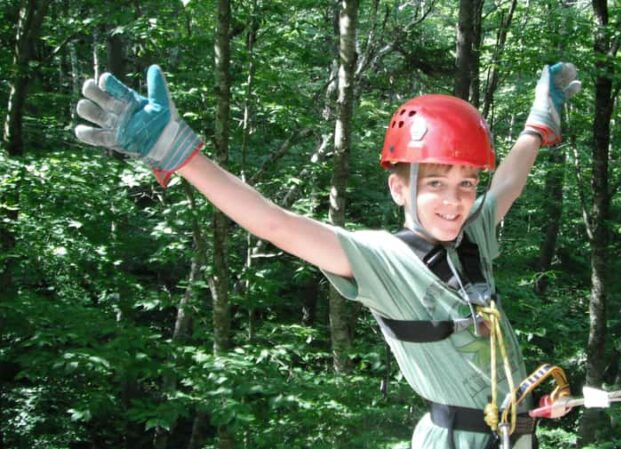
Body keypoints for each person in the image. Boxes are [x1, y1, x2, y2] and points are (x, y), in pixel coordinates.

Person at [74, 62, 580, 449]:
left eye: (466, 184)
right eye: (436, 185)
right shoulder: (384, 260)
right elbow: (276, 223)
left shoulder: (470, 241)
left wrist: (538, 123)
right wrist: (181, 154)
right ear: (398, 189)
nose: (455, 200)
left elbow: (508, 184)